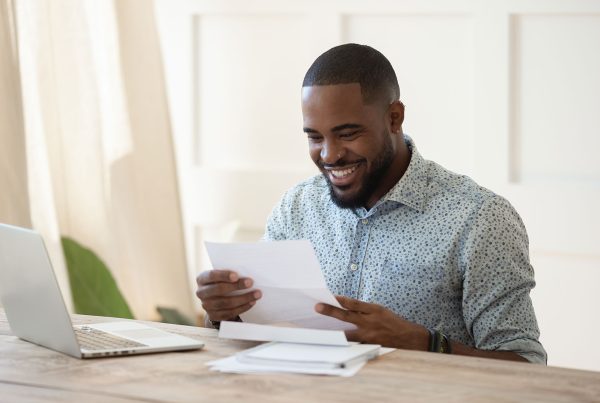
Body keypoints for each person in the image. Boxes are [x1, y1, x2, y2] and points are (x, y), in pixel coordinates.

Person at [196, 44, 547, 364]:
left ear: (394, 117)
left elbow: (527, 367)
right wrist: (226, 311)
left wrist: (423, 342)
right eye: (315, 137)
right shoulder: (297, 207)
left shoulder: (478, 218)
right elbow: (264, 328)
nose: (329, 155)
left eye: (348, 134)